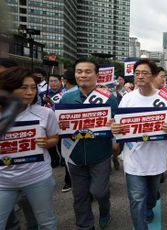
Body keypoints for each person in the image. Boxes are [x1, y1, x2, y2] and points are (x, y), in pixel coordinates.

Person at [111, 59, 167, 230]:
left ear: (153, 76)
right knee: (136, 198)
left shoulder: (165, 99)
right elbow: (119, 127)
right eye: (137, 73)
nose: (140, 76)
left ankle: (149, 206)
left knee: (151, 196)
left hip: (156, 159)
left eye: (144, 73)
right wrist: (115, 128)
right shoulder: (127, 99)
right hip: (133, 159)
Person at [59, 59, 118, 229]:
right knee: (80, 195)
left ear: (97, 75)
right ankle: (85, 225)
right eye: (79, 71)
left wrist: (114, 128)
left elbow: (117, 125)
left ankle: (105, 210)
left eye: (87, 71)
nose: (83, 75)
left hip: (100, 154)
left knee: (99, 192)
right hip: (75, 155)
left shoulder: (109, 99)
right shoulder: (67, 97)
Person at [0, 67, 59, 229]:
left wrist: (46, 143)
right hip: (3, 181)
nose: (30, 92)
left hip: (38, 177)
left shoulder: (45, 113)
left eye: (33, 88)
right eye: (24, 87)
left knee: (46, 222)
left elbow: (55, 137)